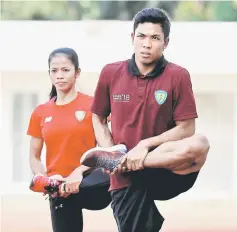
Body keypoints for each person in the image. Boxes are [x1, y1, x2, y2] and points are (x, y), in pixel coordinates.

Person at [80, 8, 210, 232]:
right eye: (141, 36)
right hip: (125, 178)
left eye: (155, 38)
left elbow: (187, 128)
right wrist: (111, 150)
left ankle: (120, 161)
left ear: (165, 42)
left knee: (201, 143)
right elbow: (98, 118)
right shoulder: (111, 73)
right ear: (132, 38)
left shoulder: (178, 76)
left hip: (163, 169)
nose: (147, 44)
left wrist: (144, 146)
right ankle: (117, 161)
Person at [27, 47, 111, 232]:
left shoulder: (92, 105)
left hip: (92, 180)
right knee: (61, 194)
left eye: (65, 70)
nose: (60, 75)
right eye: (54, 71)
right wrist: (46, 180)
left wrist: (78, 172)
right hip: (59, 188)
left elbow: (107, 148)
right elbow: (34, 156)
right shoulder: (40, 112)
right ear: (49, 73)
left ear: (77, 72)